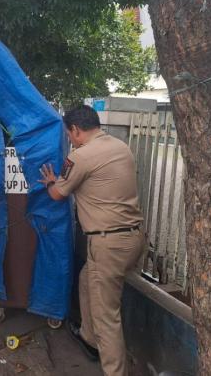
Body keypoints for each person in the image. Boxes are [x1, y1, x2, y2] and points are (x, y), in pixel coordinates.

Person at [39, 105, 144, 376]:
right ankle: (89, 337)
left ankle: (113, 370)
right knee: (88, 279)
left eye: (69, 136)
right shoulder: (121, 147)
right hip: (133, 239)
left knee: (106, 316)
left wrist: (51, 182)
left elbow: (58, 195)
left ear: (75, 130)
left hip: (107, 243)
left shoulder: (82, 157)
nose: (70, 141)